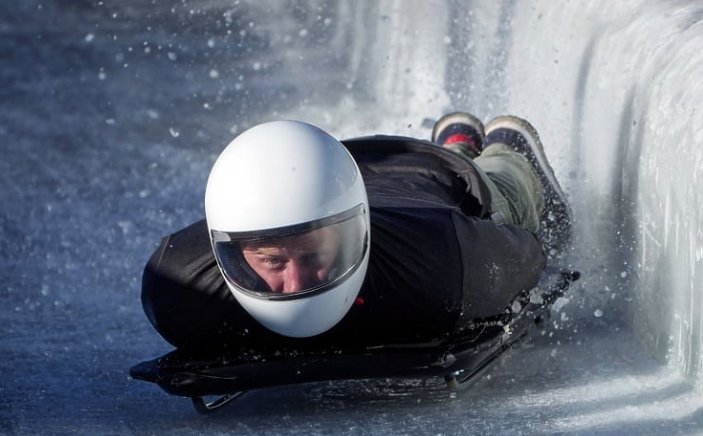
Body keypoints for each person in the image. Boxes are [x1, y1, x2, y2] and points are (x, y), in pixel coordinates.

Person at [140, 113, 571, 353]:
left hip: (430, 179)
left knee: (503, 190)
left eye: (312, 255)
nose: (296, 284)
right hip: (338, 169)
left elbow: (531, 255)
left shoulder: (450, 263)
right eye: (272, 261)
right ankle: (456, 137)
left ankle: (500, 146)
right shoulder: (177, 288)